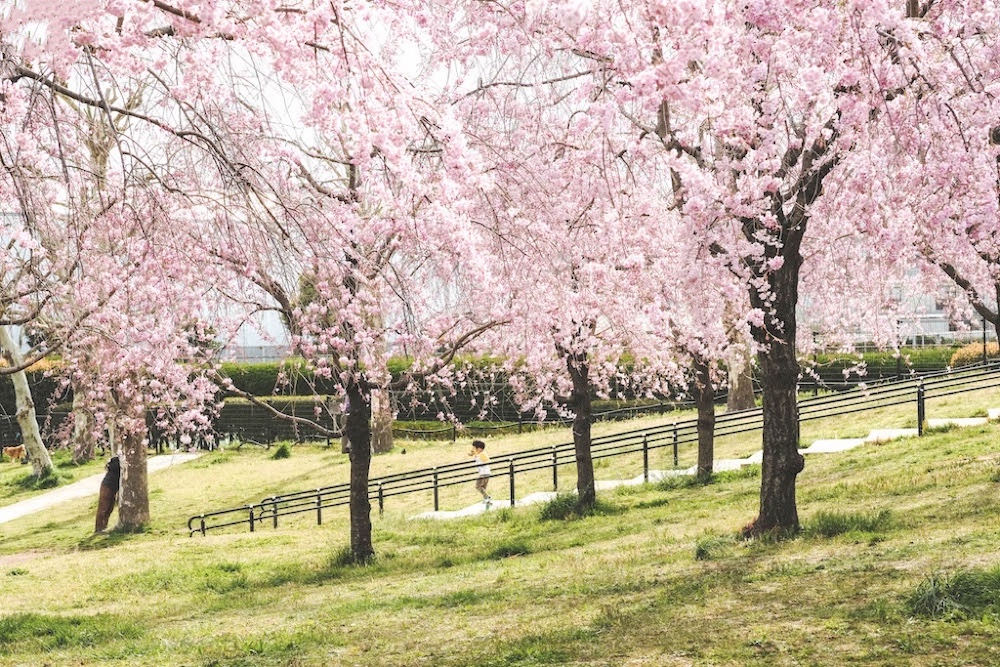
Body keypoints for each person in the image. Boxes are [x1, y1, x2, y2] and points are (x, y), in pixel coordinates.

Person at [95, 456, 120, 532]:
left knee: (109, 509)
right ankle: (99, 528)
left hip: (112, 487)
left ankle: (104, 526)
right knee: (103, 508)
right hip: (108, 487)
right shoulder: (117, 466)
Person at [468, 439, 491, 504]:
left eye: (474, 448)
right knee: (483, 487)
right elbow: (472, 454)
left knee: (478, 486)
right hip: (484, 473)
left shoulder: (482, 454)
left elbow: (487, 460)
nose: (473, 449)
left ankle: (487, 497)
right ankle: (486, 499)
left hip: (484, 473)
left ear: (479, 448)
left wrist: (484, 462)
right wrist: (472, 453)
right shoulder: (479, 453)